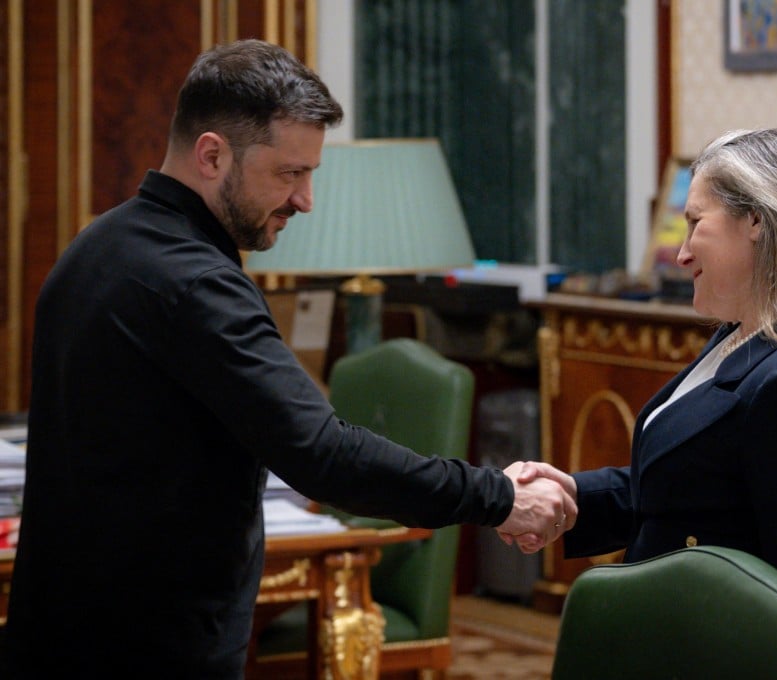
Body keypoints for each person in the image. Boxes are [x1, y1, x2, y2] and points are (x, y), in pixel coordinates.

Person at [0, 39, 573, 678]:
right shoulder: (198, 283)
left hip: (55, 635)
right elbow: (322, 455)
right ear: (212, 154)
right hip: (151, 649)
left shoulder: (94, 246)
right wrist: (495, 495)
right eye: (289, 174)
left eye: (310, 175)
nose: (305, 201)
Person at [511, 127, 777, 621]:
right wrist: (573, 495)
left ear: (758, 221)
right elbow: (688, 490)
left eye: (695, 222)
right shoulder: (740, 337)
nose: (680, 254)